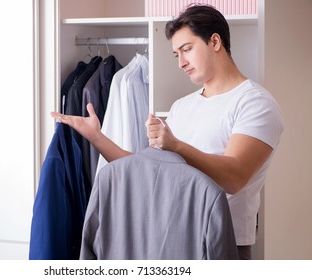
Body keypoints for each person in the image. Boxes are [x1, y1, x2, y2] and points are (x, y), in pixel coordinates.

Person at [51, 4, 284, 260]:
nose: (182, 62)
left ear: (215, 41)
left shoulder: (255, 104)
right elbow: (147, 174)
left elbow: (234, 177)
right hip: (169, 241)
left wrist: (176, 146)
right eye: (176, 55)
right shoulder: (181, 106)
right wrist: (96, 137)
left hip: (222, 242)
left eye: (187, 49)